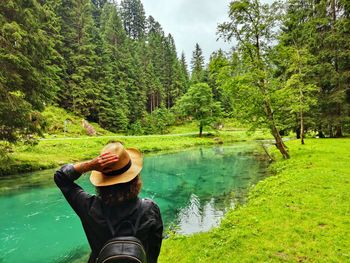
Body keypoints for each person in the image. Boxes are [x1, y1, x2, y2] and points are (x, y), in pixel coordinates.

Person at [54, 141, 163, 263]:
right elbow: (154, 252)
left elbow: (60, 177)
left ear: (101, 181)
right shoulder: (150, 209)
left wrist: (89, 165)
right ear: (135, 178)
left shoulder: (89, 207)